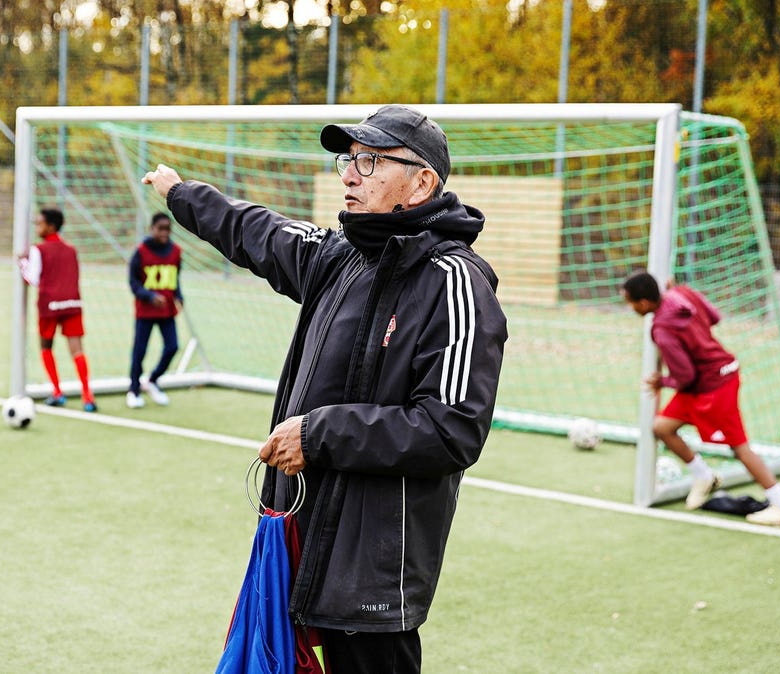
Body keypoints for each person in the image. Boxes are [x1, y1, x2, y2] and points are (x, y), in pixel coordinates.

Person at [142, 104, 507, 672]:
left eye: (371, 161)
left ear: (421, 183)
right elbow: (257, 230)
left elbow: (451, 429)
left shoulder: (454, 281)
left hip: (373, 574)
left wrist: (319, 434)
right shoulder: (340, 256)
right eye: (349, 160)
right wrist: (183, 195)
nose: (350, 175)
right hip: (302, 544)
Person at [621, 270, 780, 526]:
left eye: (631, 303)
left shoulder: (662, 329)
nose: (631, 308)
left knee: (740, 448)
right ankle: (704, 476)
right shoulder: (682, 292)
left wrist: (662, 381)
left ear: (644, 303)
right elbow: (715, 317)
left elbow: (685, 376)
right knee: (662, 427)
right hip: (707, 381)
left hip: (715, 385)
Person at [17, 207, 98, 412]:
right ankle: (87, 395)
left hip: (49, 305)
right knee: (77, 350)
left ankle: (57, 392)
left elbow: (32, 279)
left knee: (46, 346)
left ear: (51, 226)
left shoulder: (39, 250)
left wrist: (22, 262)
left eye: (40, 223)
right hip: (72, 304)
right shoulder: (71, 249)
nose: (37, 227)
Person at [126, 211, 183, 409]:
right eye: (161, 229)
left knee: (172, 347)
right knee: (140, 351)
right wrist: (149, 296)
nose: (164, 232)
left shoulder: (176, 252)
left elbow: (175, 279)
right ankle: (134, 390)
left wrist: (179, 296)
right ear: (152, 229)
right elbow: (133, 282)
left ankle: (152, 380)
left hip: (167, 311)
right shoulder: (141, 252)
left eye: (168, 229)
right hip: (145, 311)